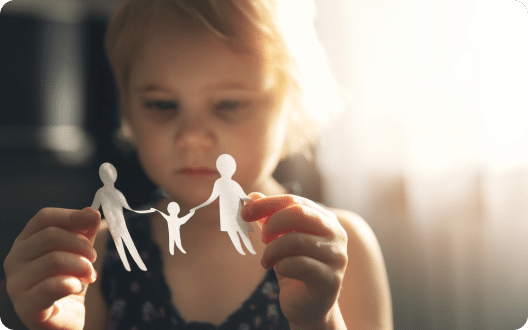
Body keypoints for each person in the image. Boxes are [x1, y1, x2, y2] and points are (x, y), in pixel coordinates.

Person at [1, 0, 393, 329]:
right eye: (162, 105)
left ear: (293, 105)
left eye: (229, 104)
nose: (191, 136)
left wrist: (319, 321)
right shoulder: (98, 256)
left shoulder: (337, 248)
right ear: (128, 109)